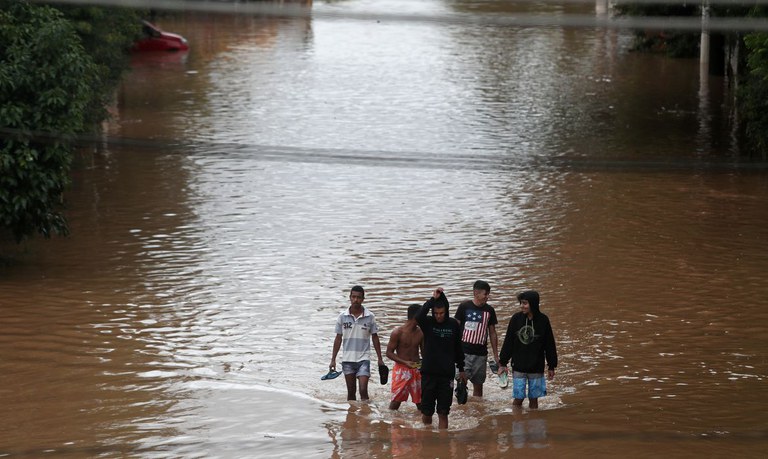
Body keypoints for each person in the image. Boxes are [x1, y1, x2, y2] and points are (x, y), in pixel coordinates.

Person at [415, 287, 467, 429]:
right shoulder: (428, 323)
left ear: (446, 311)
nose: (438, 316)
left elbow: (458, 348)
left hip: (446, 376)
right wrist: (432, 300)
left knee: (443, 412)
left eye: (442, 313)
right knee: (427, 411)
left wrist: (462, 369)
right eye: (436, 313)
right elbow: (418, 316)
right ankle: (427, 438)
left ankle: (443, 444)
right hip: (428, 374)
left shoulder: (453, 325)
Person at [498, 290, 558, 409]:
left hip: (536, 366)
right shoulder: (516, 319)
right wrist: (502, 363)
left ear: (533, 304)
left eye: (525, 303)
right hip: (518, 365)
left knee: (534, 399)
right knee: (518, 398)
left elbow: (549, 344)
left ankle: (533, 423)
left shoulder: (543, 320)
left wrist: (551, 365)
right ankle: (516, 424)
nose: (522, 306)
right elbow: (509, 341)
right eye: (521, 303)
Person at [329, 285, 385, 401]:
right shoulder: (342, 317)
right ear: (350, 297)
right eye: (353, 297)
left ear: (363, 299)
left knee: (363, 390)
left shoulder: (370, 317)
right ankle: (352, 417)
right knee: (351, 393)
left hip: (363, 359)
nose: (356, 300)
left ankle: (366, 416)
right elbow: (338, 338)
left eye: (358, 297)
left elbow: (375, 337)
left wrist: (380, 358)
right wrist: (333, 359)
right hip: (347, 359)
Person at [454, 280, 500, 398]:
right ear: (476, 293)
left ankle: (478, 411)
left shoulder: (489, 310)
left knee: (478, 386)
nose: (487, 297)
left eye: (488, 294)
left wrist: (496, 356)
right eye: (485, 294)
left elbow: (492, 333)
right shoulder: (464, 306)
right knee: (461, 384)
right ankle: (462, 408)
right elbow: (454, 328)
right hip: (463, 353)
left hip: (481, 354)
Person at [386, 304, 424, 411]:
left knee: (421, 403)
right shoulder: (397, 332)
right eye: (423, 315)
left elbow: (424, 353)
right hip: (401, 370)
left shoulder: (421, 333)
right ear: (416, 317)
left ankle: (424, 426)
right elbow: (389, 353)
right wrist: (405, 362)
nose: (425, 318)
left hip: (416, 369)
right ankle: (392, 424)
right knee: (395, 403)